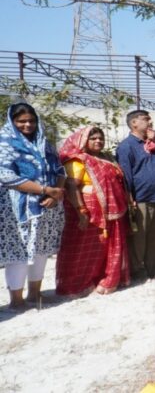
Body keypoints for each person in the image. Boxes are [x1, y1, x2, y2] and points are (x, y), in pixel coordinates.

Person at [0, 103, 66, 309]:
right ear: (12, 121)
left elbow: (60, 170)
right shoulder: (5, 142)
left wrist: (55, 193)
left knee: (41, 249)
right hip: (17, 208)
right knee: (18, 251)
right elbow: (6, 176)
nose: (27, 125)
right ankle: (16, 299)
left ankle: (35, 293)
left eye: (31, 121)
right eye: (21, 121)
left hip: (47, 206)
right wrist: (45, 190)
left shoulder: (44, 142)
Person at [56, 126, 130, 296]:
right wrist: (81, 211)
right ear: (83, 141)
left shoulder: (107, 159)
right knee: (82, 247)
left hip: (112, 209)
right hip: (87, 210)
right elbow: (71, 186)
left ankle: (106, 280)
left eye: (101, 138)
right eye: (93, 138)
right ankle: (76, 285)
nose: (98, 141)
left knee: (106, 246)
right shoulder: (77, 160)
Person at [116, 110, 155, 280]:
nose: (150, 122)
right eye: (145, 119)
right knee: (138, 237)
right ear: (134, 123)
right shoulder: (127, 146)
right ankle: (137, 270)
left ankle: (154, 268)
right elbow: (125, 174)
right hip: (141, 197)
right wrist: (129, 197)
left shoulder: (153, 143)